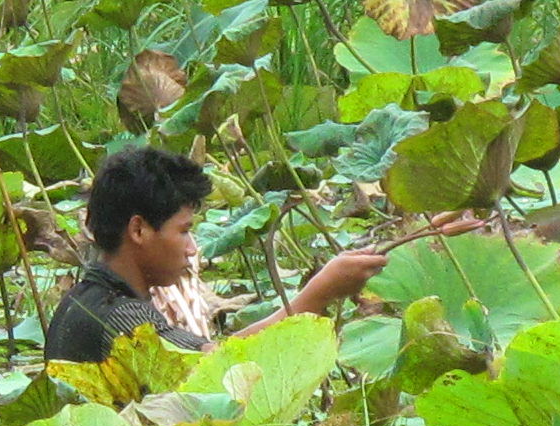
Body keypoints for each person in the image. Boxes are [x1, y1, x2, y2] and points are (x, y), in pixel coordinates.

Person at [43, 142, 435, 366]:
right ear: (139, 229)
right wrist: (317, 295)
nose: (193, 248)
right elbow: (216, 367)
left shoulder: (80, 301)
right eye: (184, 231)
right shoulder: (126, 317)